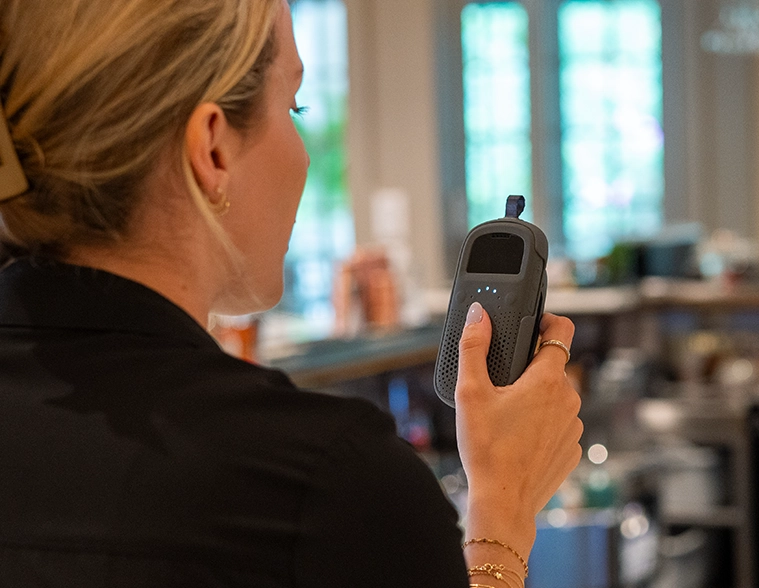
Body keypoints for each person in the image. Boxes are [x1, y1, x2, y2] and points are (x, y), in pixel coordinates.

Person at [0, 1, 583, 586]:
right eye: (293, 106)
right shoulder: (325, 483)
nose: (304, 152)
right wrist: (502, 516)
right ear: (213, 149)